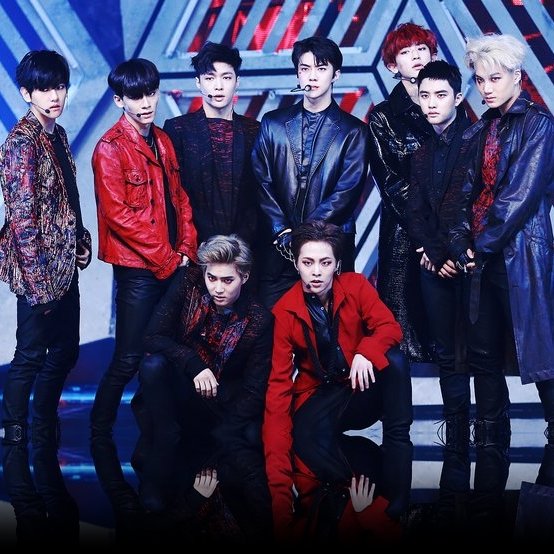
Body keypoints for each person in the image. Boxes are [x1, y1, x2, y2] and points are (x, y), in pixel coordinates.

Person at [262, 220, 412, 538]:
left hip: (359, 388)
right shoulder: (285, 310)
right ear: (296, 264)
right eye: (307, 262)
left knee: (396, 359)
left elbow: (390, 328)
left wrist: (365, 352)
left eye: (325, 262)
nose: (316, 272)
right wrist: (278, 481)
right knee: (306, 436)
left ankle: (398, 437)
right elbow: (278, 385)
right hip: (320, 396)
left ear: (337, 265)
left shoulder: (356, 286)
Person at [0, 50, 91, 543]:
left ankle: (41, 421)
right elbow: (22, 219)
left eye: (59, 86)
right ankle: (15, 430)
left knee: (67, 351)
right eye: (44, 88)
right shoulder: (20, 144)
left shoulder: (57, 134)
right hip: (36, 267)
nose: (54, 96)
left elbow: (67, 198)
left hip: (64, 262)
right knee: (31, 354)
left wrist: (82, 240)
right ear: (26, 93)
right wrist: (37, 283)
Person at [450, 33, 554, 446]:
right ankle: (491, 432)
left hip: (519, 252)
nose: (487, 88)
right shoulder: (482, 129)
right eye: (480, 80)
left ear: (517, 75)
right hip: (480, 254)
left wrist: (479, 246)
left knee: (540, 349)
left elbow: (519, 197)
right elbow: (463, 193)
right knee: (482, 352)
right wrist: (461, 242)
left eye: (495, 78)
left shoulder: (539, 125)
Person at [90, 58, 197, 447]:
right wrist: (167, 258)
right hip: (138, 269)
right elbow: (119, 216)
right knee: (128, 358)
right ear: (119, 100)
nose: (146, 102)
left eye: (151, 93)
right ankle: (98, 431)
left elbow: (179, 199)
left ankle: (163, 426)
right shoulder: (109, 148)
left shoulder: (163, 140)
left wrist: (187, 248)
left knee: (171, 351)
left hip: (173, 263)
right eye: (136, 96)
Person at [252, 36, 369, 309]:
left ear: (335, 75)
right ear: (297, 73)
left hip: (329, 251)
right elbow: (261, 182)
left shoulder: (354, 131)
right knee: (272, 324)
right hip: (278, 249)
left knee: (330, 327)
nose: (312, 76)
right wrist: (282, 231)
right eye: (305, 68)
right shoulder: (272, 123)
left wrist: (302, 237)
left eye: (321, 68)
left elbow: (346, 192)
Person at [133, 234, 273, 449]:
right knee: (153, 365)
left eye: (227, 280)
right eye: (212, 278)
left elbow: (254, 388)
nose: (218, 288)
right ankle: (165, 435)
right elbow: (152, 337)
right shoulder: (189, 282)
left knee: (252, 436)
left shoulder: (258, 318)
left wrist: (224, 434)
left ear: (244, 277)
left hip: (220, 405)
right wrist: (194, 364)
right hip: (181, 391)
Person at [406, 60, 474, 449]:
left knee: (481, 352)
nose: (431, 103)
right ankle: (456, 428)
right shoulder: (420, 153)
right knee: (446, 351)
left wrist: (448, 252)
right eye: (425, 95)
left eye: (440, 95)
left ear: (458, 97)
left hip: (470, 260)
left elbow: (469, 205)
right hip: (434, 264)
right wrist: (433, 253)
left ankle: (491, 430)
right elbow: (414, 212)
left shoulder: (477, 141)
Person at [367, 22, 438, 362]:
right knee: (401, 330)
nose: (416, 56)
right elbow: (390, 182)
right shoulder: (382, 117)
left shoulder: (453, 108)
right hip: (403, 231)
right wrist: (426, 228)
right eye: (406, 52)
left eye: (421, 49)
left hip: (449, 230)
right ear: (393, 65)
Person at [163, 42, 261, 259]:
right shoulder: (178, 129)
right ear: (198, 82)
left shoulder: (255, 130)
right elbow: (173, 195)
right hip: (193, 250)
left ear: (237, 82)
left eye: (226, 77)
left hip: (244, 251)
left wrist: (240, 244)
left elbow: (259, 196)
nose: (218, 86)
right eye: (209, 78)